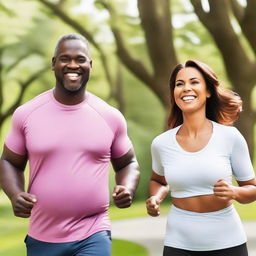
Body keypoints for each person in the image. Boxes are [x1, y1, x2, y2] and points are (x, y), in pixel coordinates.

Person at [0, 33, 140, 256]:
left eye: (80, 59)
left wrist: (127, 187)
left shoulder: (109, 116)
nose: (73, 65)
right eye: (65, 58)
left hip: (94, 231)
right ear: (54, 64)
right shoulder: (26, 114)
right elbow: (9, 161)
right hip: (42, 235)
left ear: (90, 65)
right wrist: (15, 194)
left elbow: (128, 162)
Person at [146, 59, 256, 256]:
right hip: (178, 243)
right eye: (179, 84)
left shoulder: (230, 137)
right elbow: (157, 180)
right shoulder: (161, 143)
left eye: (194, 82)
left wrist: (234, 192)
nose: (186, 88)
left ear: (208, 91)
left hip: (228, 242)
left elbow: (253, 189)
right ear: (174, 93)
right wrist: (156, 197)